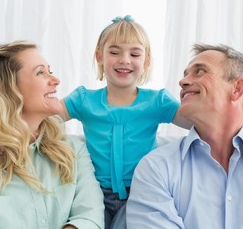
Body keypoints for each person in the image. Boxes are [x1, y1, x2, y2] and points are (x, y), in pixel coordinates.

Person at [126, 44, 243, 228]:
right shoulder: (156, 169)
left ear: (237, 89)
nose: (182, 82)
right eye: (185, 74)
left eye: (199, 72)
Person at [60, 15, 193, 229]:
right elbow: (43, 115)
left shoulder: (157, 101)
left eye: (134, 53)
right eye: (114, 52)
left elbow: (200, 122)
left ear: (146, 61)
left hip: (140, 193)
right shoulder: (83, 100)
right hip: (93, 194)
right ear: (99, 57)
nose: (124, 60)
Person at [0, 40, 104, 229]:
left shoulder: (73, 151)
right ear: (8, 89)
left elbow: (90, 216)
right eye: (41, 72)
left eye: (50, 70)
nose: (56, 80)